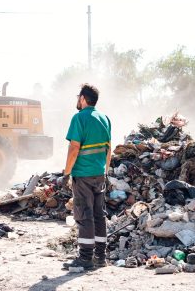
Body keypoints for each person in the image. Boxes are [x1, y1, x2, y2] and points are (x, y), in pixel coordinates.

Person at [62, 83, 112, 270]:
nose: (77, 100)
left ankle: (85, 258)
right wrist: (105, 171)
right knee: (99, 215)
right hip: (99, 174)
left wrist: (67, 173)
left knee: (85, 215)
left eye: (78, 97)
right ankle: (100, 257)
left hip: (83, 174)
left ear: (83, 98)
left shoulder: (79, 118)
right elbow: (108, 149)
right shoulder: (104, 118)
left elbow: (74, 148)